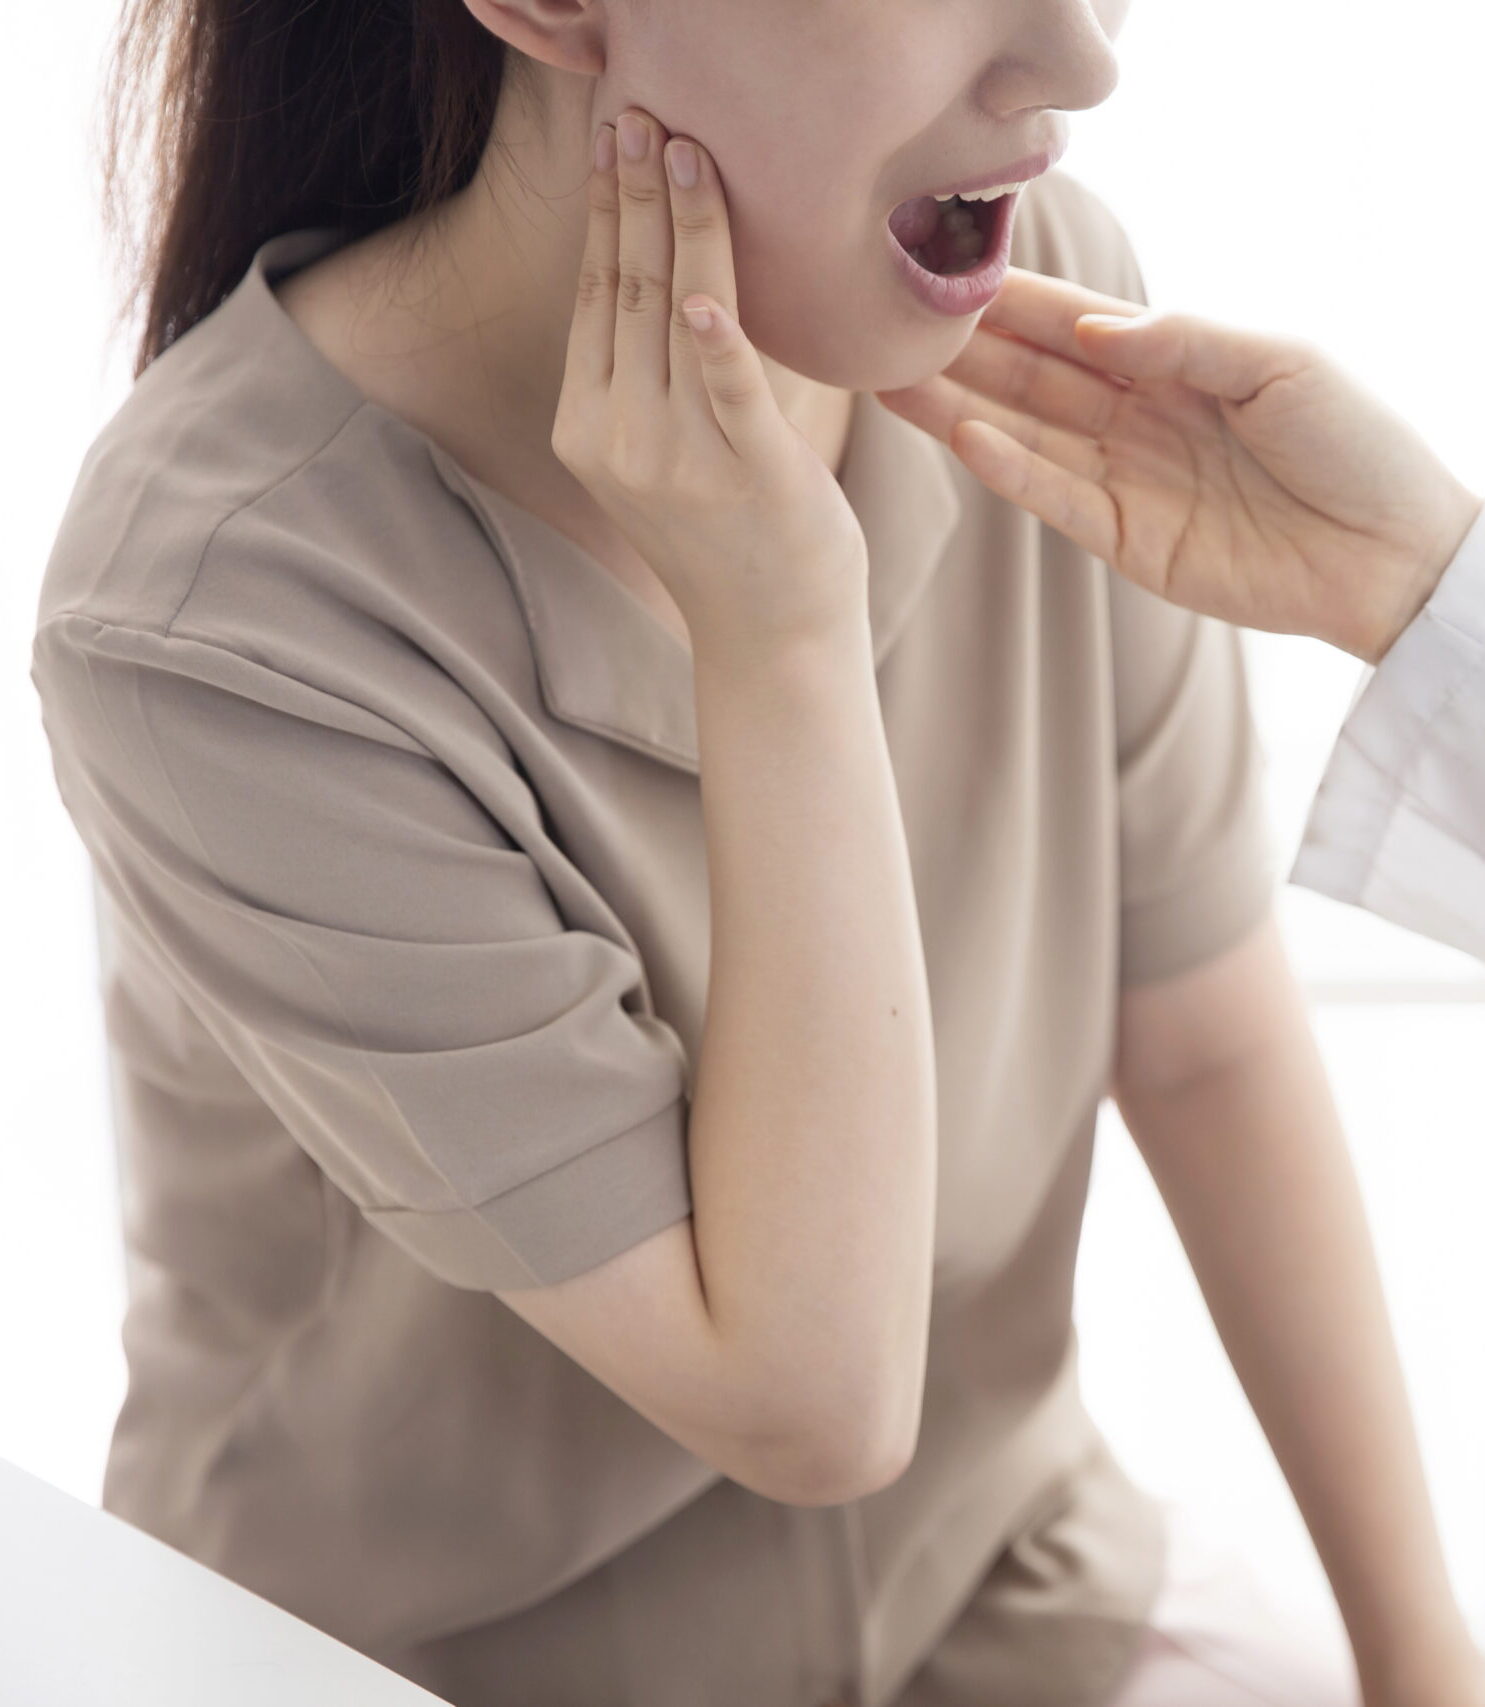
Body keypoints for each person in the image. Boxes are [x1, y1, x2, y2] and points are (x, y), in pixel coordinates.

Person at [27, 5, 1483, 1707]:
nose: (1084, 59)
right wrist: (784, 630)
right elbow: (814, 1403)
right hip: (442, 1668)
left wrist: (1420, 1660)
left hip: (1006, 1592)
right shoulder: (222, 616)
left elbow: (1208, 1044)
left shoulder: (1042, 329)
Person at [875, 270, 1485, 966]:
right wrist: (1412, 571)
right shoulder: (1038, 283)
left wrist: (1415, 573)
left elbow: (1211, 1007)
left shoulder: (1048, 266)